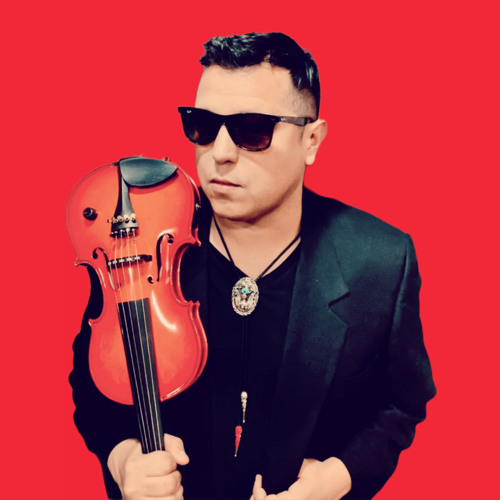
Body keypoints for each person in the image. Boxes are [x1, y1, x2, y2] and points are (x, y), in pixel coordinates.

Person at [70, 32, 436, 500]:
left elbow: (402, 404)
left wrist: (337, 479)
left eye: (251, 130)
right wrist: (123, 459)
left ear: (311, 140)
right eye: (203, 125)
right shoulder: (141, 243)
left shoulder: (381, 260)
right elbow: (94, 382)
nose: (220, 152)